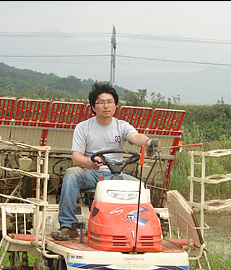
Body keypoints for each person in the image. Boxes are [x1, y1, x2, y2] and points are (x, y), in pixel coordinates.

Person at [50, 82, 158, 240]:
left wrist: (148, 142)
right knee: (71, 174)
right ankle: (67, 226)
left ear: (115, 106)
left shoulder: (122, 126)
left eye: (110, 102)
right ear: (93, 107)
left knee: (140, 186)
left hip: (114, 175)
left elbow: (135, 137)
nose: (106, 106)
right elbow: (77, 157)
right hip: (89, 173)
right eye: (101, 102)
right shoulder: (83, 127)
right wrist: (91, 163)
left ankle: (138, 226)